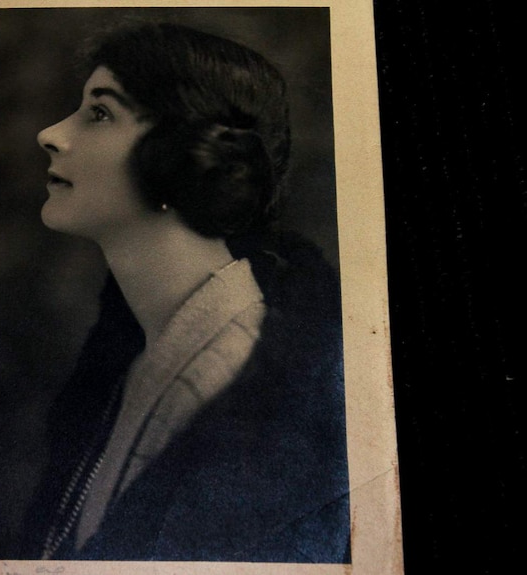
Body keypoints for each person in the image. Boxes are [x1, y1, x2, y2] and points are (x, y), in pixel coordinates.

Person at [21, 20, 350, 563]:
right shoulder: (145, 345)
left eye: (100, 113)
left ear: (182, 157)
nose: (52, 133)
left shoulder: (230, 375)